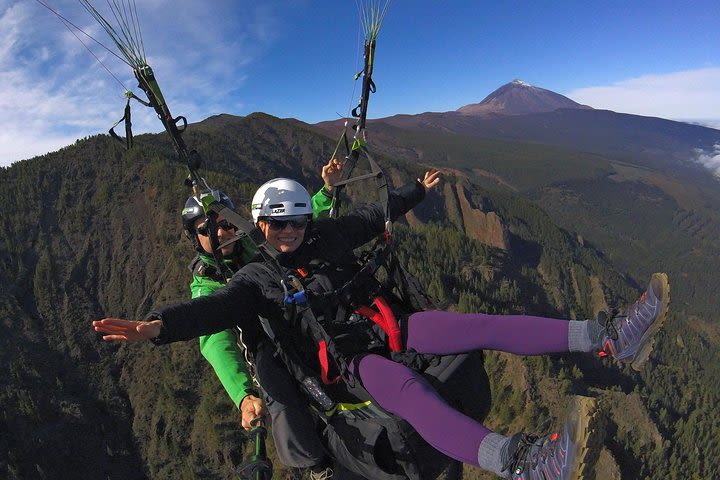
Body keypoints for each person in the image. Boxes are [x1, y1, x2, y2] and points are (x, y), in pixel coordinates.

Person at [93, 171, 670, 480]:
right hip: (347, 363)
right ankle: (525, 463)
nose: (289, 232)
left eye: (295, 222)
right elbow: (209, 314)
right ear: (260, 227)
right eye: (278, 225)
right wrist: (155, 328)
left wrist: (415, 192)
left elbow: (375, 215)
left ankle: (606, 337)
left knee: (478, 325)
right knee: (409, 393)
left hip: (392, 327)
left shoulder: (327, 234)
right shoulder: (255, 281)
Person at [180, 158, 341, 479]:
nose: (220, 233)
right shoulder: (208, 285)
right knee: (279, 394)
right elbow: (216, 342)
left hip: (300, 322)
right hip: (269, 345)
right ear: (193, 235)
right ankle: (315, 466)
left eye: (226, 224)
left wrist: (326, 191)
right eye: (206, 229)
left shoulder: (255, 248)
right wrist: (243, 395)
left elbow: (296, 226)